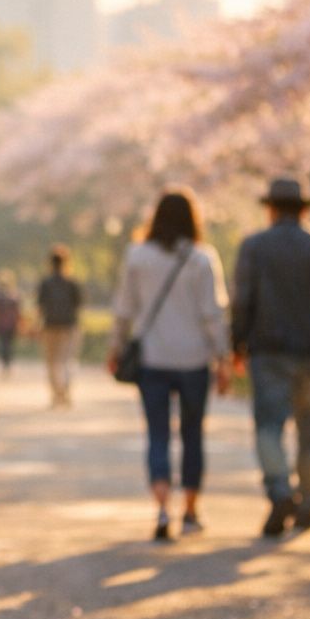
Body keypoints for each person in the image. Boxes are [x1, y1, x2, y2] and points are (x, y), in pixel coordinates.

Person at [231, 176, 310, 538]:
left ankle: (280, 492)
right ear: (303, 210)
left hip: (268, 351)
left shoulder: (254, 247)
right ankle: (308, 505)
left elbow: (242, 300)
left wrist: (237, 344)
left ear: (271, 208)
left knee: (269, 427)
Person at [108, 188, 231, 541]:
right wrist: (223, 357)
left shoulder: (138, 256)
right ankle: (190, 511)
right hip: (194, 360)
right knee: (193, 434)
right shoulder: (202, 258)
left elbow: (124, 309)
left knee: (158, 434)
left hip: (153, 359)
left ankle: (162, 509)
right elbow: (213, 315)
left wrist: (115, 347)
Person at [36, 244, 82, 407]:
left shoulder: (45, 283)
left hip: (50, 326)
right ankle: (65, 392)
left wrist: (38, 327)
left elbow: (40, 307)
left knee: (52, 362)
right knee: (67, 360)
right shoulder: (72, 283)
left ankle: (57, 394)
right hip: (69, 326)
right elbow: (78, 305)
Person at [0, 269, 23, 377]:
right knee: (8, 345)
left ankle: (5, 364)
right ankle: (7, 364)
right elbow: (18, 312)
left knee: (3, 345)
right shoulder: (14, 295)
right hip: (10, 324)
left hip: (2, 324)